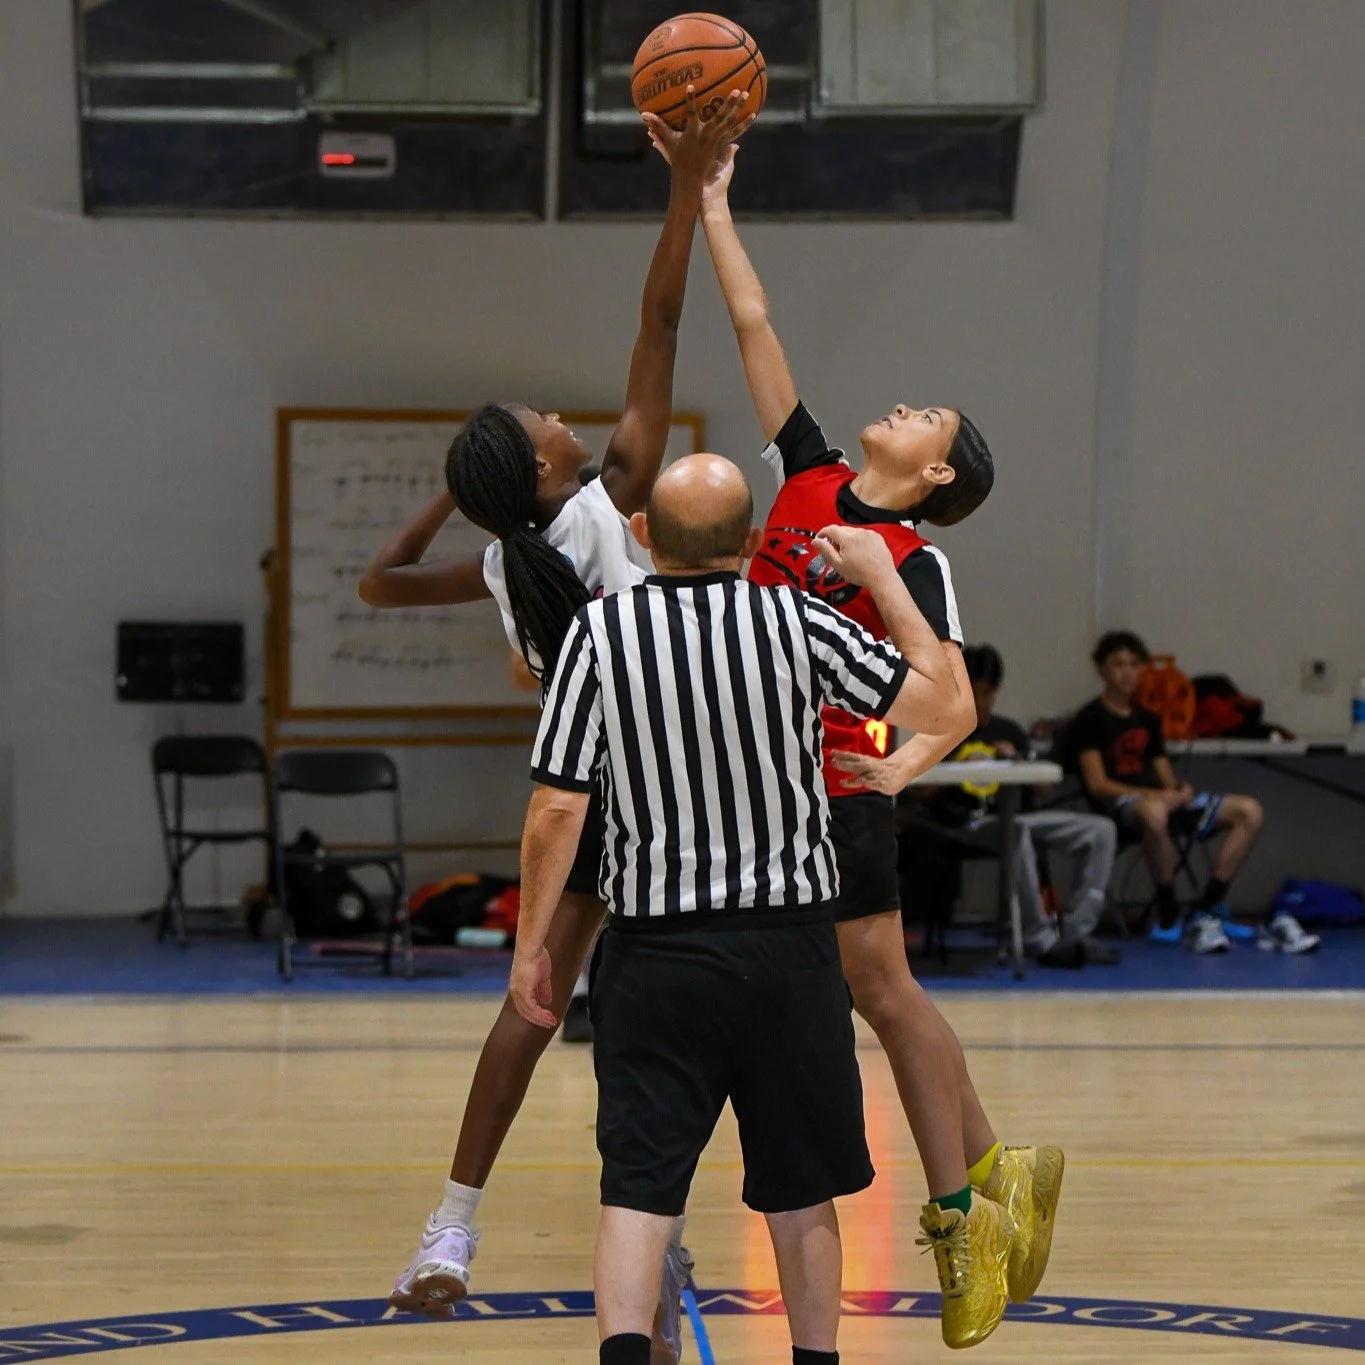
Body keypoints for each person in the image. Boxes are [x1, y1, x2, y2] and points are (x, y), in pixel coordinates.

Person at [654, 129, 1061, 1350]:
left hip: (833, 792)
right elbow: (755, 327)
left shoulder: (919, 560)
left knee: (880, 988)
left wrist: (902, 763)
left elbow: (950, 702)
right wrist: (714, 201)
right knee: (878, 996)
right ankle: (993, 1173)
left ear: (936, 470)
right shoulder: (809, 474)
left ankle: (966, 1218)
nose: (900, 402)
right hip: (760, 793)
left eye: (924, 413)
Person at [359, 90, 755, 1343]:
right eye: (549, 425)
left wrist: (450, 496)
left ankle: (451, 1226)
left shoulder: (506, 561)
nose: (567, 418)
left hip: (586, 800)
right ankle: (668, 1222)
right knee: (723, 1007)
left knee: (530, 1014)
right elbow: (661, 321)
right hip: (689, 794)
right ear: (544, 470)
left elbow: (377, 580)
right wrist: (687, 192)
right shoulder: (603, 505)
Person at [512, 454, 970, 1365]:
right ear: (754, 542)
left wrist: (533, 944)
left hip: (654, 954)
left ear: (645, 536)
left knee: (637, 1191)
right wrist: (884, 577)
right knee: (802, 1195)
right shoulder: (796, 617)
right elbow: (939, 700)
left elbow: (557, 806)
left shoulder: (598, 635)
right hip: (790, 952)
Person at [1074, 631, 1318, 954]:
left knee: (1249, 811)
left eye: (1134, 665)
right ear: (1102, 669)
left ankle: (1208, 906)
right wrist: (1154, 796)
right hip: (1124, 805)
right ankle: (1167, 908)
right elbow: (1097, 784)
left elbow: (1163, 775)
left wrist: (1178, 789)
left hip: (1161, 801)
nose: (1127, 673)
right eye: (1118, 665)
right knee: (1155, 813)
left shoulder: (1147, 719)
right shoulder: (1089, 719)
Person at [931, 645, 1120, 968]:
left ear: (997, 691)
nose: (980, 702)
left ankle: (1077, 929)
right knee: (1013, 831)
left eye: (987, 694)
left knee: (1101, 830)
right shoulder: (939, 729)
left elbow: (1044, 787)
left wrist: (1018, 759)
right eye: (973, 693)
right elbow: (921, 790)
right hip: (970, 824)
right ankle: (1039, 938)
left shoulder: (1009, 731)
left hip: (1020, 815)